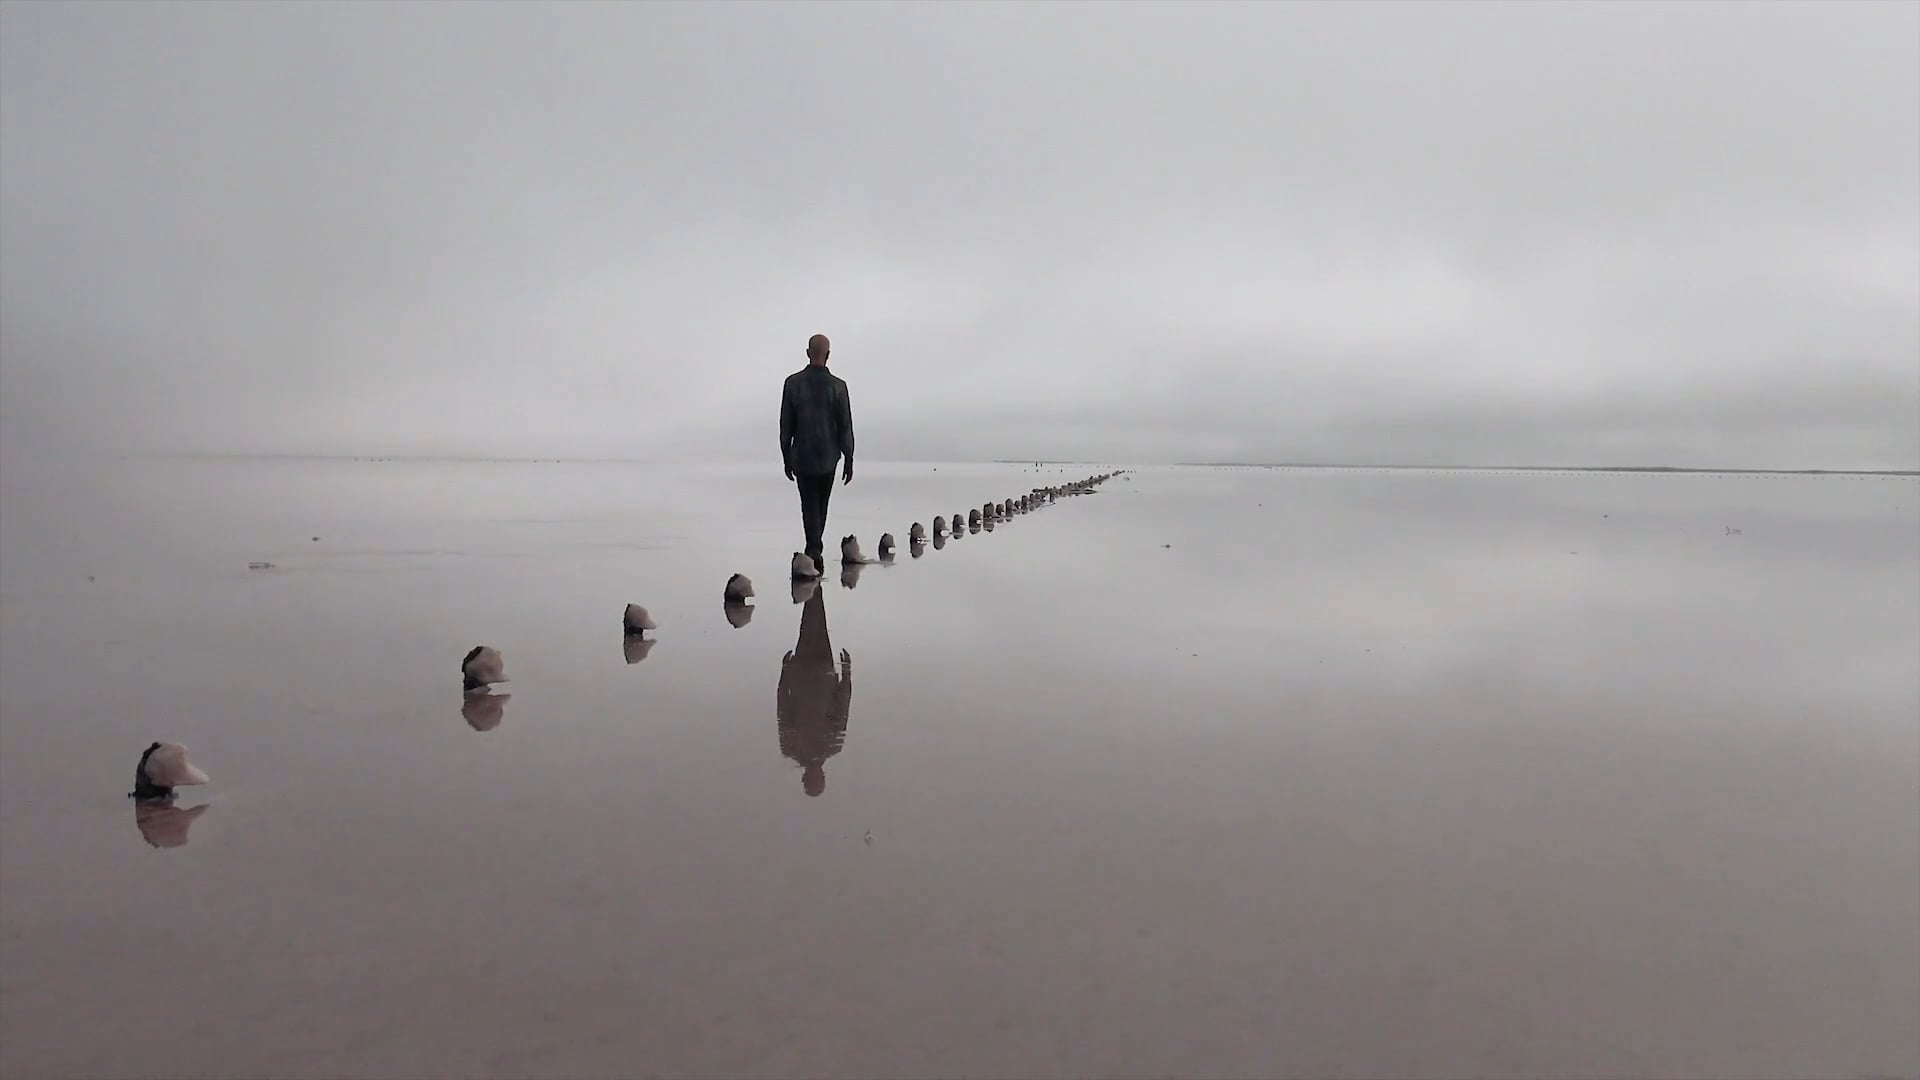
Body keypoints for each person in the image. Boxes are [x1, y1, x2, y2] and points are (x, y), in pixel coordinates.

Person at [779, 333, 854, 572]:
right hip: (829, 456)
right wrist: (849, 457)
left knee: (809, 505)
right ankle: (814, 549)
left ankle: (814, 549)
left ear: (807, 353)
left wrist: (786, 456)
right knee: (821, 505)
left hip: (802, 455)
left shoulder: (792, 383)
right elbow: (845, 426)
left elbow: (785, 425)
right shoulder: (839, 387)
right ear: (828, 355)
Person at [776, 585, 852, 797]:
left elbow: (783, 709)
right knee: (815, 619)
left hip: (807, 672)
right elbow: (842, 705)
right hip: (819, 671)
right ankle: (812, 578)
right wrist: (847, 675)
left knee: (811, 620)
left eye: (814, 780)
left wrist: (784, 675)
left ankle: (812, 577)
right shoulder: (831, 745)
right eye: (817, 780)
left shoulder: (792, 747)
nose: (817, 775)